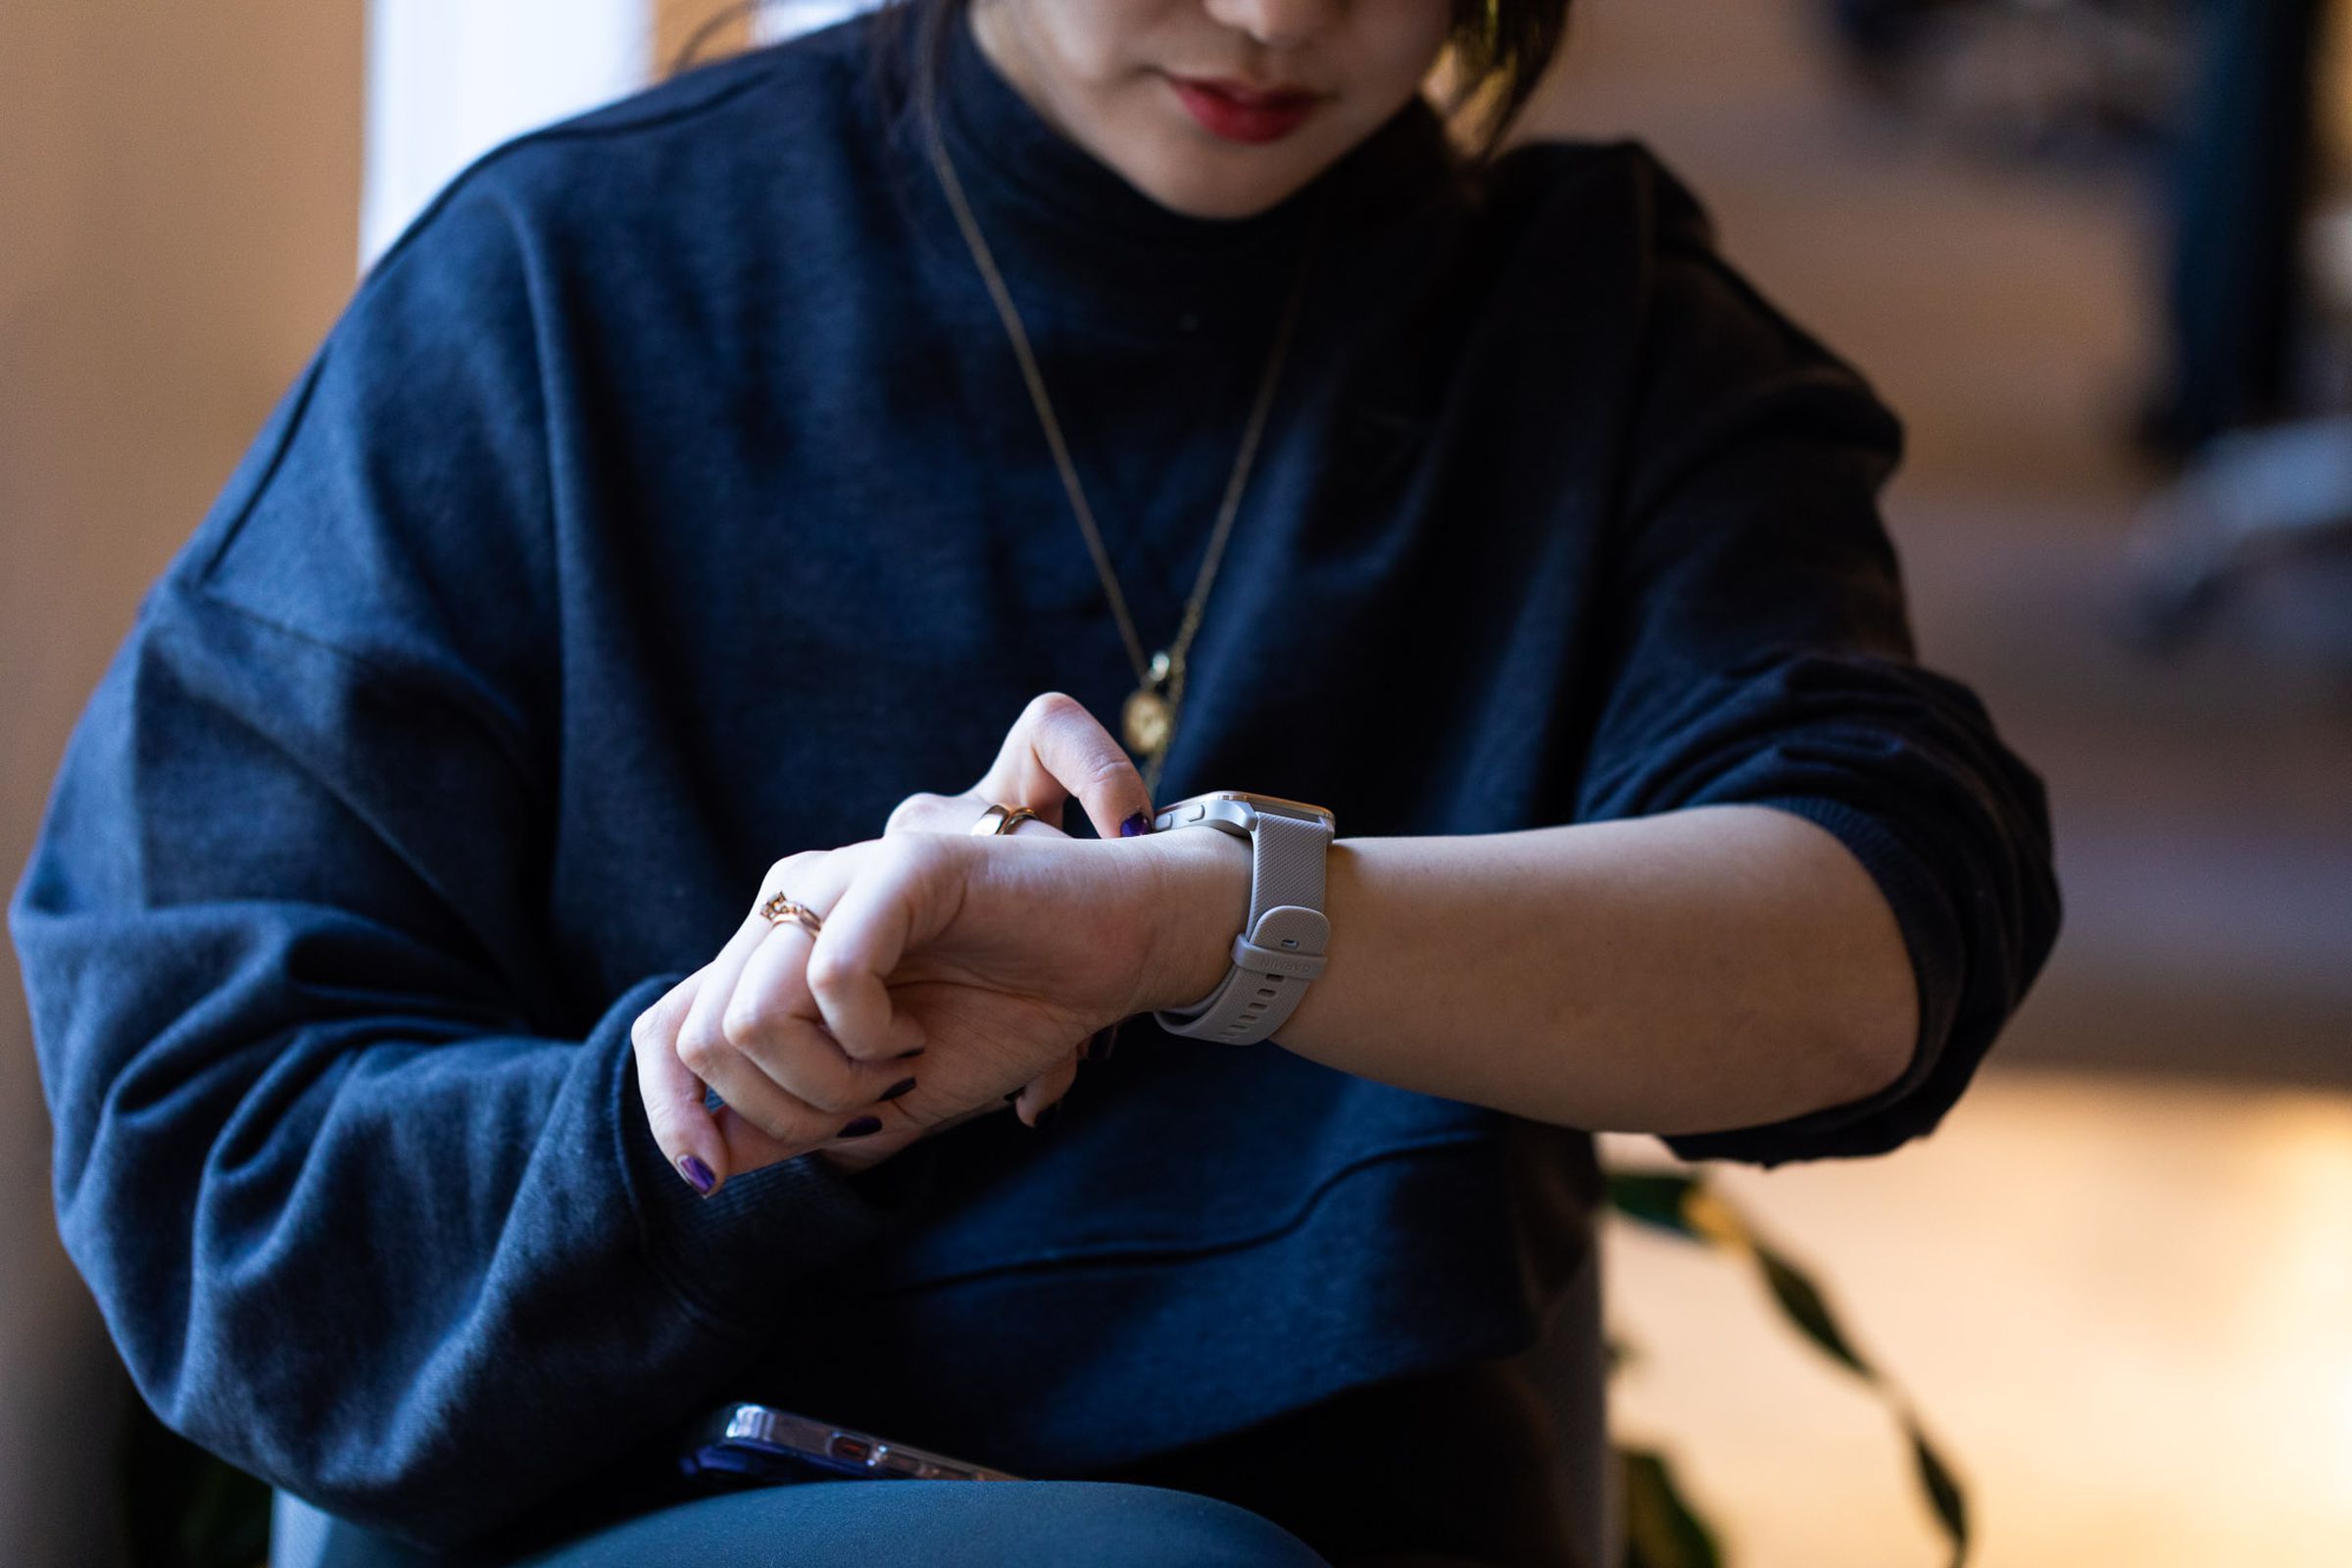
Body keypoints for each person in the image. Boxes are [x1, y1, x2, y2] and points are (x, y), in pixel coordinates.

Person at [9, 0, 2062, 1563]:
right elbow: (215, 1136)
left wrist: (1207, 923)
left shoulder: (1603, 345)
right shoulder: (554, 295)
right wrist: (691, 1104)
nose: (1274, 17)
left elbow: (1880, 929)